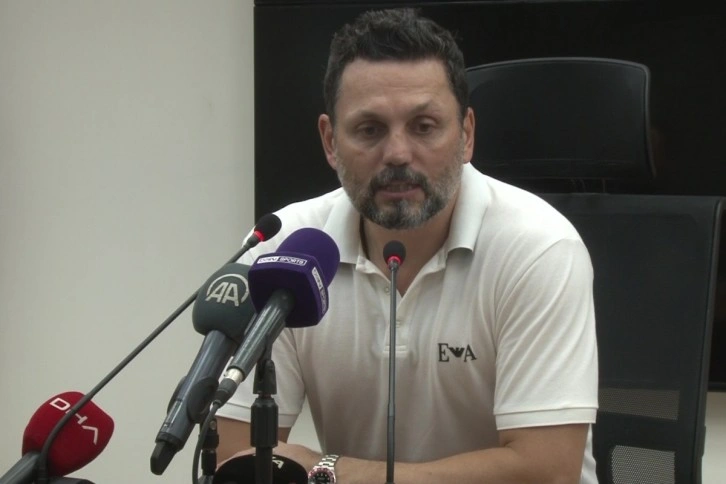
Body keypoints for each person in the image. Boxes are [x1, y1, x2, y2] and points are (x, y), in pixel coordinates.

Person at [216, 7, 598, 484]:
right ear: (330, 141)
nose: (397, 153)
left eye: (424, 126)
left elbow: (547, 472)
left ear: (467, 134)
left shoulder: (539, 248)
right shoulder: (284, 250)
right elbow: (236, 455)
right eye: (369, 129)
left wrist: (330, 471)